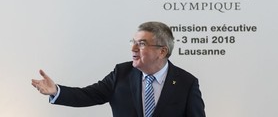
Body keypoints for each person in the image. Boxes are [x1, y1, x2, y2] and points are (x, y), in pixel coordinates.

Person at [32, 21, 206, 117]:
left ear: (162, 51)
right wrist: (56, 91)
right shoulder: (122, 73)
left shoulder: (186, 83)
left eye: (142, 44)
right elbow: (88, 95)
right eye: (133, 43)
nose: (133, 49)